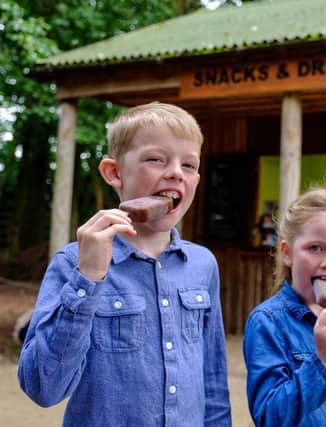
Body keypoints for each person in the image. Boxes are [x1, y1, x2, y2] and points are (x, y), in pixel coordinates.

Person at [18, 102, 232, 426]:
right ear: (114, 172)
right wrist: (88, 278)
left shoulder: (203, 265)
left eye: (189, 165)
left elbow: (212, 376)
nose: (176, 171)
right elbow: (42, 388)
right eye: (156, 159)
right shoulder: (72, 263)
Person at [243, 188, 326, 426]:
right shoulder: (268, 322)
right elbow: (270, 418)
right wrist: (323, 361)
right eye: (315, 248)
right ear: (287, 252)